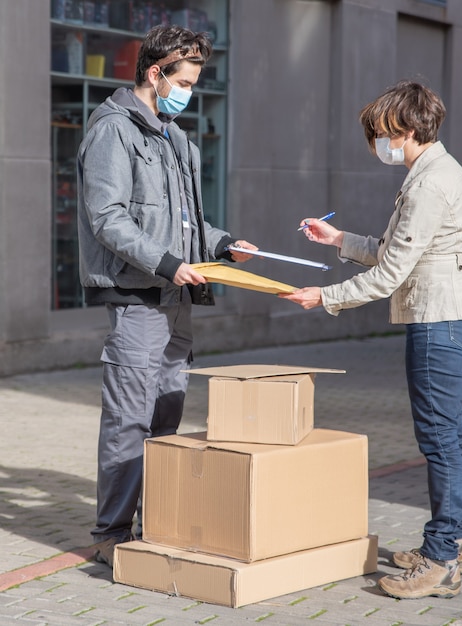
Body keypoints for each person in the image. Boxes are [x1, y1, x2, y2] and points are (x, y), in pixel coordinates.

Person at [280, 80, 462, 600]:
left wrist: (324, 298)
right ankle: (453, 540)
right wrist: (339, 240)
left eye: (381, 134)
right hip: (448, 311)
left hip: (439, 318)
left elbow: (391, 273)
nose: (379, 145)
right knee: (451, 437)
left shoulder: (428, 184)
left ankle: (441, 558)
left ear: (408, 129)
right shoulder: (433, 171)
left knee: (440, 439)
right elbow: (395, 251)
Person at [77, 25, 257, 568]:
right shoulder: (113, 130)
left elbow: (186, 221)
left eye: (195, 83)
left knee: (165, 416)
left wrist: (223, 245)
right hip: (138, 299)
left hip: (177, 299)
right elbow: (107, 218)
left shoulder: (176, 137)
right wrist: (170, 265)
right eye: (182, 81)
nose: (188, 92)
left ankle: (153, 521)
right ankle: (111, 534)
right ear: (154, 73)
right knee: (130, 419)